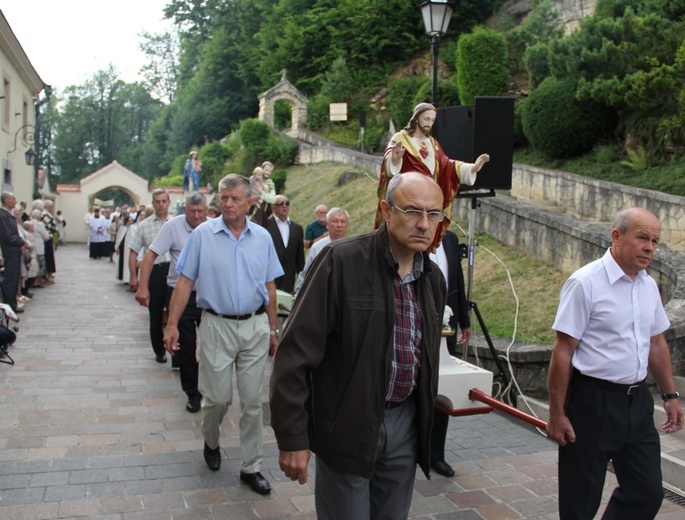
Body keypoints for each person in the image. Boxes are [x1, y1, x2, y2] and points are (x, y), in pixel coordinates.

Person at [270, 172, 447, 519]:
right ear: (386, 210)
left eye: (434, 214)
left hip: (405, 421)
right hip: (348, 421)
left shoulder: (432, 278)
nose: (424, 224)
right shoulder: (341, 261)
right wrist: (293, 437)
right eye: (412, 211)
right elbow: (294, 354)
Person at [547, 207, 684, 520]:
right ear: (617, 236)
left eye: (655, 241)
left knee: (646, 492)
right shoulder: (585, 283)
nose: (650, 247)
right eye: (642, 238)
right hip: (592, 402)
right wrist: (556, 413)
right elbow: (563, 350)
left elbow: (656, 342)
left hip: (636, 403)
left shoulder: (649, 285)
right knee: (580, 501)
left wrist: (671, 396)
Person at [163, 174, 283, 496]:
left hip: (255, 326)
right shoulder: (203, 235)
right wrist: (172, 324)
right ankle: (212, 441)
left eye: (234, 199)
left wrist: (272, 330)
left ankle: (251, 466)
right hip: (216, 325)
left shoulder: (262, 237)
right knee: (216, 399)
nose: (227, 204)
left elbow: (270, 286)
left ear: (249, 203)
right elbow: (185, 282)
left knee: (251, 402)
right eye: (223, 198)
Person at [374, 102, 490, 250]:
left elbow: (447, 165)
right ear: (416, 118)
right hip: (407, 198)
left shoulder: (432, 143)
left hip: (427, 198)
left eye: (432, 120)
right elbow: (389, 161)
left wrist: (471, 168)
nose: (429, 123)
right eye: (426, 119)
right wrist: (395, 160)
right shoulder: (401, 138)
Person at [136, 192, 209, 414]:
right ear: (184, 210)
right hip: (180, 295)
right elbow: (151, 254)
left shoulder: (214, 227)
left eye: (200, 211)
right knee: (185, 347)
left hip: (208, 296)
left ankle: (209, 388)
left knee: (211, 345)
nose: (196, 216)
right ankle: (192, 393)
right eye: (191, 211)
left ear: (207, 211)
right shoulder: (172, 226)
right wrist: (142, 285)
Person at [428, 229, 471, 477]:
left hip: (446, 324)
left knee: (442, 390)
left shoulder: (451, 239)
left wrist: (463, 319)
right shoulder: (414, 232)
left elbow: (458, 281)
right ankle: (408, 449)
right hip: (415, 323)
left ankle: (436, 454)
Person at [128, 189, 171, 363]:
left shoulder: (176, 222)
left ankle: (177, 352)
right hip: (154, 271)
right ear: (152, 204)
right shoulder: (144, 225)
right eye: (157, 201)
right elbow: (133, 251)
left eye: (163, 201)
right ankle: (159, 350)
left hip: (174, 271)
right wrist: (134, 276)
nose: (160, 204)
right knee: (155, 313)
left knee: (177, 312)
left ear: (169, 202)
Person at [293, 207, 349, 298]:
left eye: (343, 222)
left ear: (347, 225)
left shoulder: (353, 247)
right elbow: (305, 274)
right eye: (335, 221)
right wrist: (298, 296)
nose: (339, 225)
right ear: (327, 225)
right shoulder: (317, 247)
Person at [266, 195, 305, 294]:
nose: (284, 206)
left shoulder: (297, 228)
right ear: (273, 207)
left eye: (286, 203)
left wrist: (303, 279)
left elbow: (300, 257)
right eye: (280, 204)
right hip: (270, 279)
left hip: (289, 280)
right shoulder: (265, 226)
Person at [0, 193, 28, 314]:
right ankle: (8, 305)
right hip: (10, 251)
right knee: (10, 279)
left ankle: (12, 303)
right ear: (6, 200)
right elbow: (8, 236)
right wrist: (21, 241)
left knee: (14, 279)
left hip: (14, 251)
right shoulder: (3, 216)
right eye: (12, 199)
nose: (15, 201)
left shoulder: (8, 215)